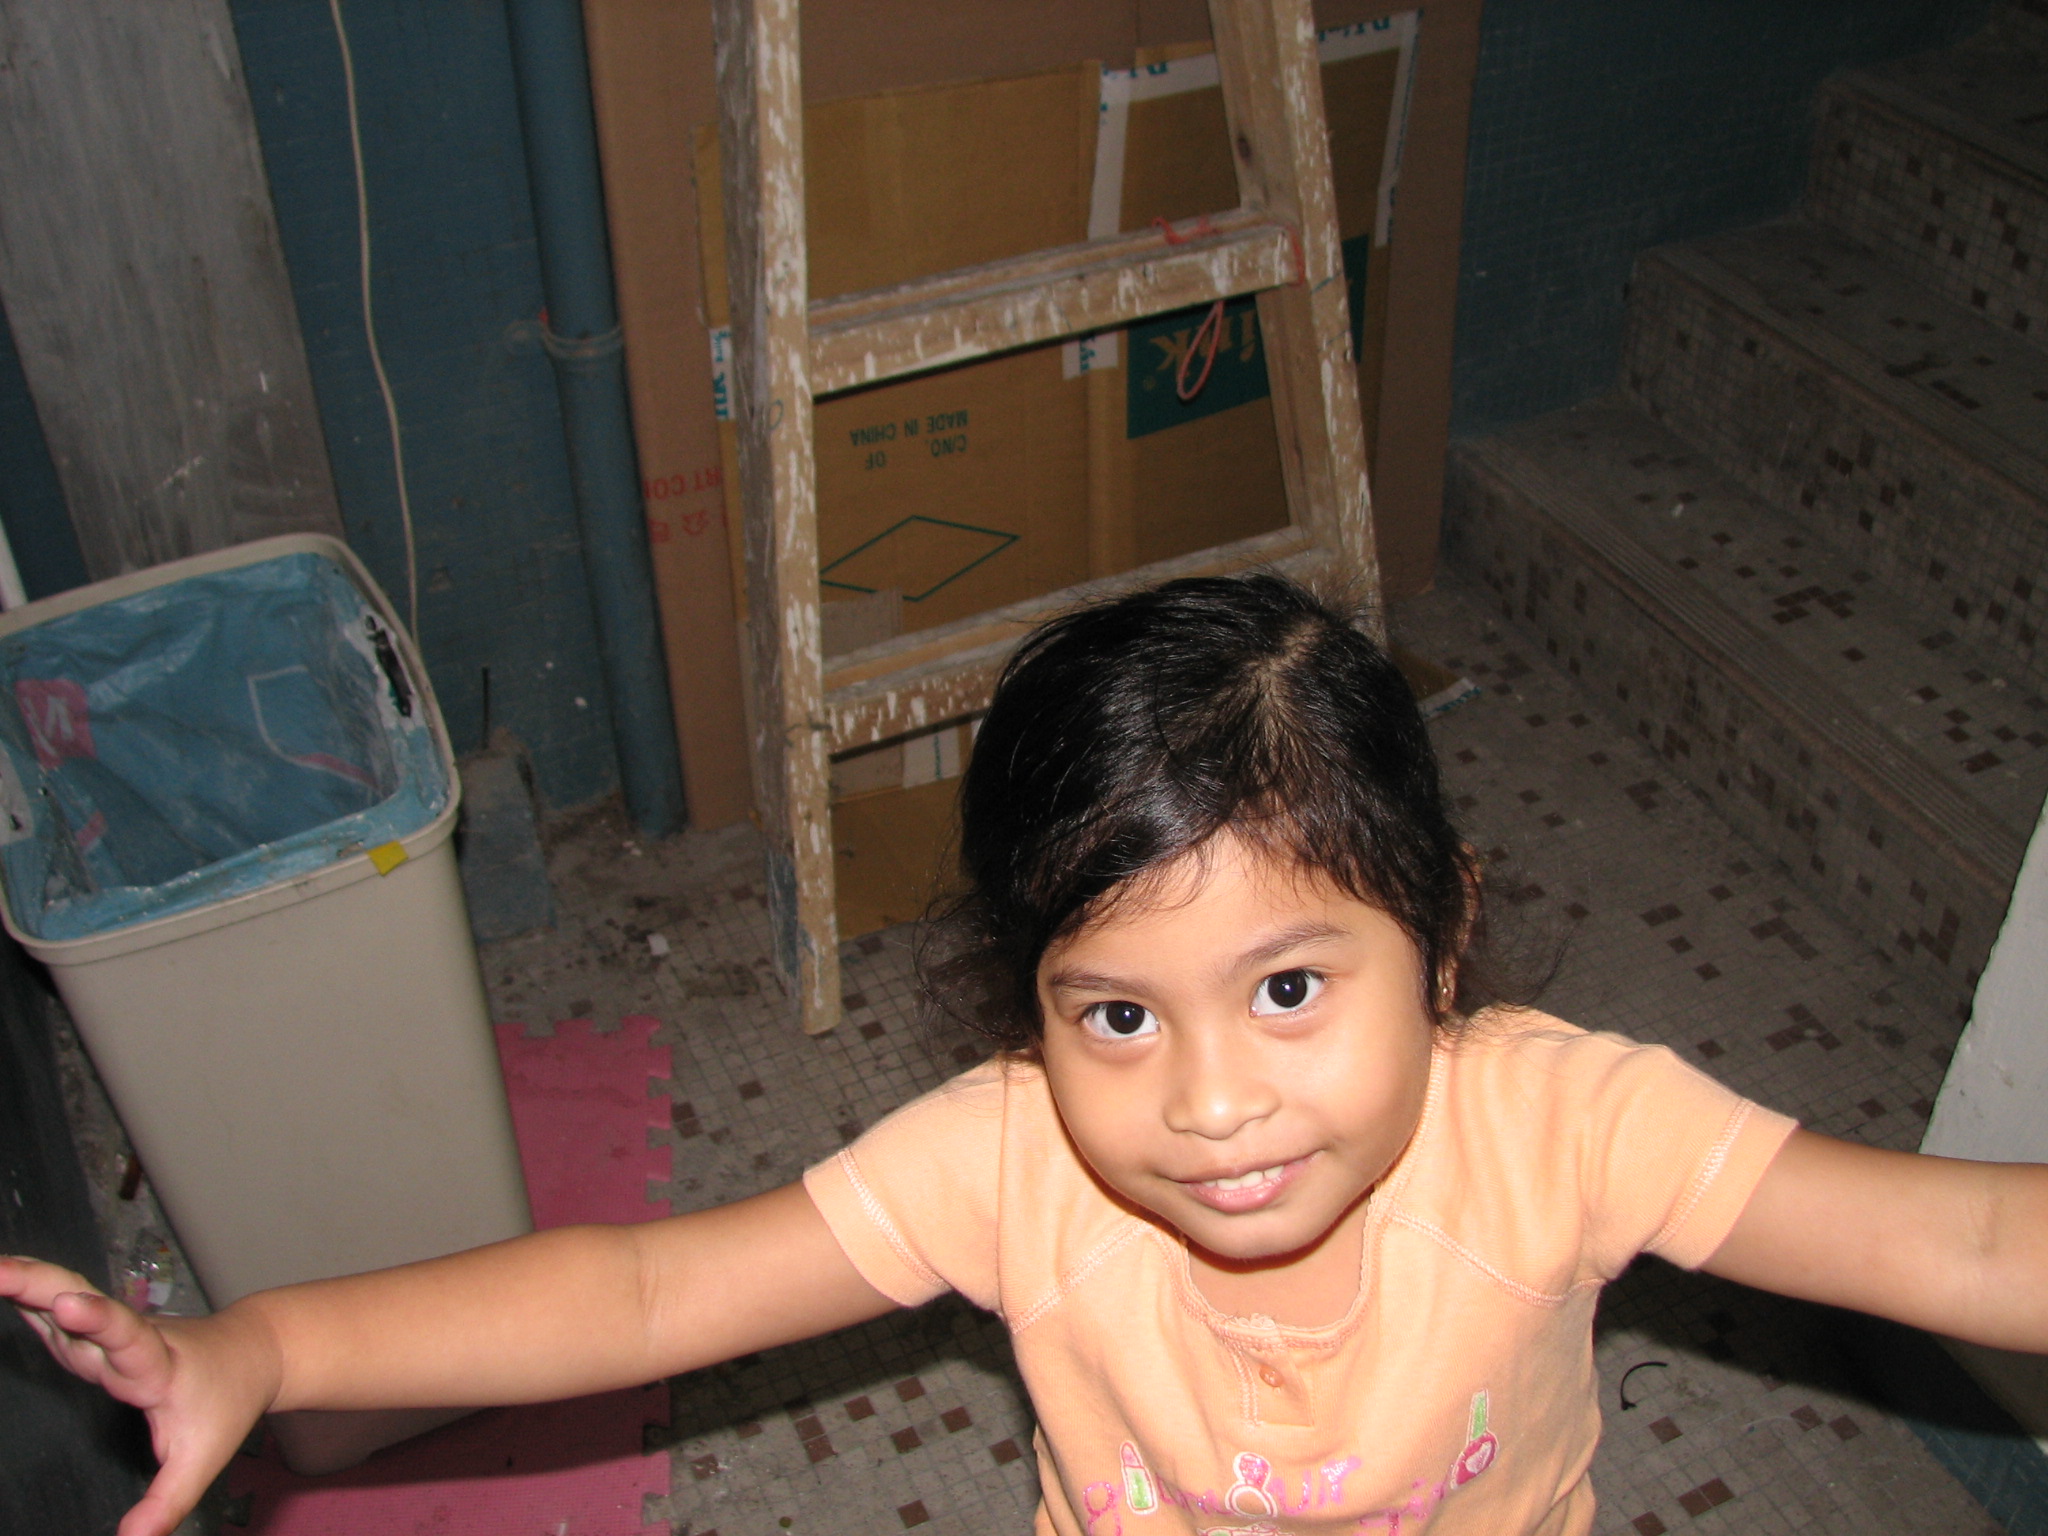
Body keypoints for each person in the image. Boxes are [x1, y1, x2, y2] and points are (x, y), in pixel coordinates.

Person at [5, 573, 2045, 1536]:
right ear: (1032, 1006)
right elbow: (639, 1291)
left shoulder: (1570, 1127)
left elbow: (1960, 1246)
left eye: (1289, 989)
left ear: (1443, 939)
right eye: (1117, 1016)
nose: (1209, 1106)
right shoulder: (1011, 1162)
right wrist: (263, 1350)